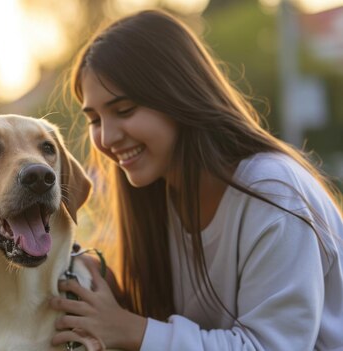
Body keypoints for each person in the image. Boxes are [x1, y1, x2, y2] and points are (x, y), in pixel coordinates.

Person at [49, 9, 343, 351]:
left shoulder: (274, 193)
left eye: (124, 110)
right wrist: (110, 293)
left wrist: (136, 330)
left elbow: (273, 346)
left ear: (178, 95)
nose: (107, 137)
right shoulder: (157, 196)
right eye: (95, 119)